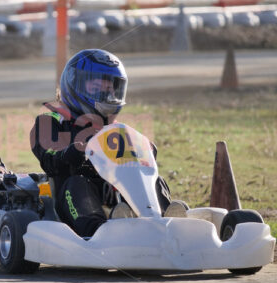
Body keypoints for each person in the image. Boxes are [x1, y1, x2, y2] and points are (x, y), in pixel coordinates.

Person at [30, 49, 174, 238]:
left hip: (115, 193)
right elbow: (49, 158)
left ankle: (163, 221)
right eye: (97, 88)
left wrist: (145, 149)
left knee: (155, 180)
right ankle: (98, 231)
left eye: (110, 89)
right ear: (75, 84)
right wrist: (75, 150)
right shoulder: (51, 121)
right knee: (78, 183)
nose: (106, 95)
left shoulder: (114, 129)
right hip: (69, 197)